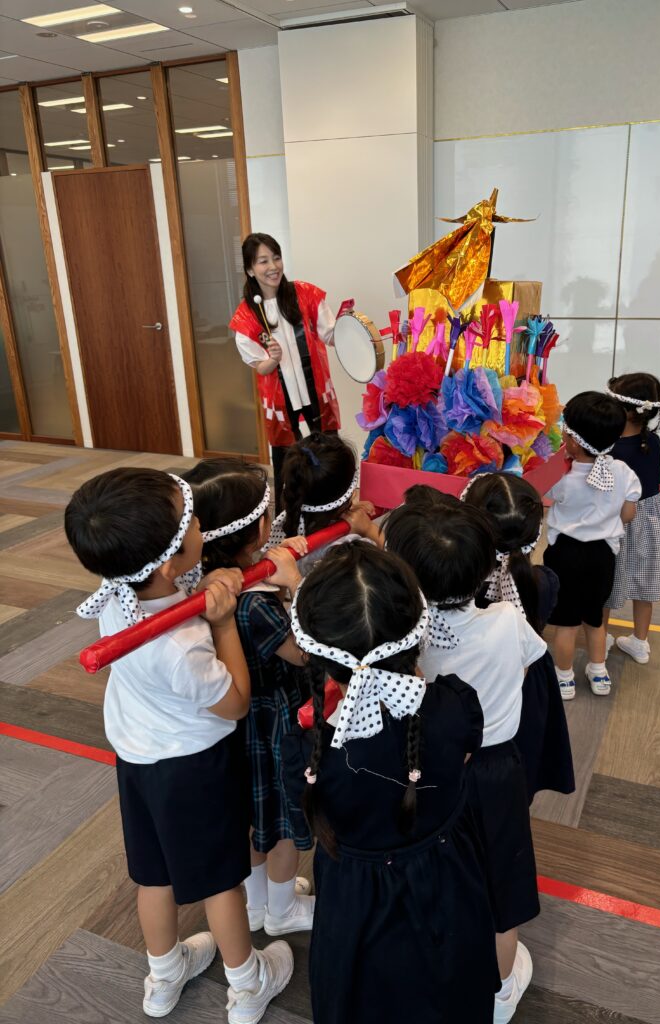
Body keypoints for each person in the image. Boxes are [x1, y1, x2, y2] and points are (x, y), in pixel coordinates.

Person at [64, 468, 292, 1024]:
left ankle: (164, 975)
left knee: (154, 874)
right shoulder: (181, 646)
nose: (200, 525)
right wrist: (224, 623)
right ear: (170, 563)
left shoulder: (117, 593)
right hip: (193, 767)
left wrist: (201, 582)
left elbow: (174, 579)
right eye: (191, 521)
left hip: (138, 759)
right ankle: (247, 983)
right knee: (221, 881)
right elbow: (235, 702)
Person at [281, 542, 499, 1024]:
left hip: (352, 898)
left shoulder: (309, 749)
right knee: (452, 992)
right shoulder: (452, 708)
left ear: (313, 652)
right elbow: (463, 751)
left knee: (359, 997)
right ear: (417, 635)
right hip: (446, 882)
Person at [385, 488, 545, 1024]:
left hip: (425, 770)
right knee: (501, 882)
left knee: (431, 867)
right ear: (485, 566)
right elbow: (524, 672)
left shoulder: (403, 640)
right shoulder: (506, 619)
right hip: (496, 771)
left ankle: (431, 959)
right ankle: (499, 993)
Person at [183, 457, 316, 939]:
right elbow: (304, 654)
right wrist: (297, 584)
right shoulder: (256, 603)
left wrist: (280, 555)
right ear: (258, 527)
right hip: (276, 723)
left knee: (254, 816)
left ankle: (259, 903)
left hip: (238, 729)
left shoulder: (204, 584)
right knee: (282, 819)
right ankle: (282, 911)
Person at [462, 472, 574, 802]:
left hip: (468, 689)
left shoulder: (455, 588)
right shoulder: (542, 582)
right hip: (527, 691)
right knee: (518, 768)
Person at [230, 233, 341, 510]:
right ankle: (286, 518)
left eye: (276, 258)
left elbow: (332, 335)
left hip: (314, 387)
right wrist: (273, 359)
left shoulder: (305, 294)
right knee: (284, 460)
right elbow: (259, 366)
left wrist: (357, 331)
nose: (273, 267)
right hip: (280, 398)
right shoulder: (246, 315)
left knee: (330, 450)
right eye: (263, 261)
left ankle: (336, 504)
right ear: (250, 269)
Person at [542, 391, 641, 699]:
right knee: (595, 618)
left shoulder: (561, 474)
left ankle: (564, 679)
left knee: (566, 624)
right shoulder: (623, 472)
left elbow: (545, 498)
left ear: (571, 440)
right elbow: (628, 514)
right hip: (602, 555)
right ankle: (599, 673)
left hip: (564, 553)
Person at [604, 373, 660, 663]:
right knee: (644, 581)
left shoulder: (611, 448)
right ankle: (640, 641)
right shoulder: (653, 441)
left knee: (608, 580)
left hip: (618, 520)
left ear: (624, 410)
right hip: (650, 521)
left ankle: (602, 633)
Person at [266, 432, 382, 570]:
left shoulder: (288, 527)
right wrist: (369, 529)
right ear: (349, 494)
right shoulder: (353, 550)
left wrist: (348, 510)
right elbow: (404, 566)